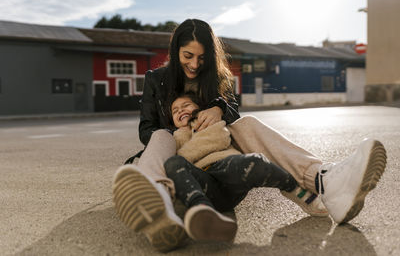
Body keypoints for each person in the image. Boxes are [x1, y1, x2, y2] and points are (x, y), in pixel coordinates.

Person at [112, 18, 387, 252]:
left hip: (222, 164)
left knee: (247, 124)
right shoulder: (155, 79)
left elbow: (234, 113)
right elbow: (145, 130)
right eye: (188, 56)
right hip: (178, 162)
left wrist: (219, 108)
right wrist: (181, 131)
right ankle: (158, 202)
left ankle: (323, 179)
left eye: (202, 57)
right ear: (175, 51)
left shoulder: (217, 77)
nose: (195, 64)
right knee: (160, 135)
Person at [164, 92, 326, 242]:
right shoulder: (173, 137)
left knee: (255, 162)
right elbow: (175, 162)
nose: (181, 110)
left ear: (198, 108)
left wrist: (186, 154)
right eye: (175, 110)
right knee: (172, 164)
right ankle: (202, 210)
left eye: (186, 105)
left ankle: (296, 190)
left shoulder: (206, 121)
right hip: (206, 185)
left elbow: (217, 139)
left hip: (229, 169)